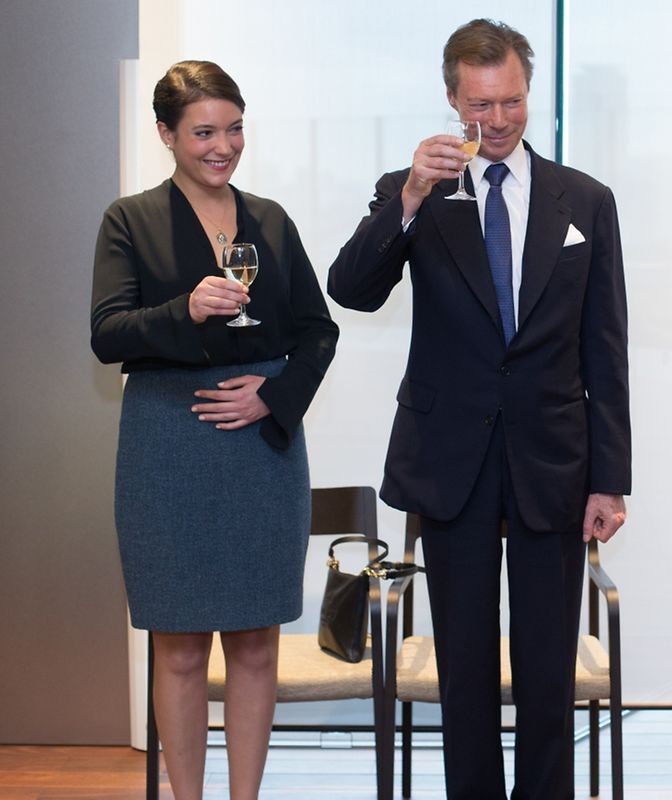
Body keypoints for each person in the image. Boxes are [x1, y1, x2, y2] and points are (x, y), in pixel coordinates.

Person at [327, 18, 631, 800]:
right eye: (478, 105)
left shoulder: (585, 201)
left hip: (553, 461)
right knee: (462, 671)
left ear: (528, 94)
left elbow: (605, 346)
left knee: (545, 671)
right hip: (449, 459)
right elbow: (351, 290)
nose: (495, 121)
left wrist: (610, 478)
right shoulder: (416, 189)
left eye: (511, 102)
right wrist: (409, 195)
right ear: (451, 98)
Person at [90, 61, 338, 800]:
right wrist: (185, 309)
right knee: (180, 649)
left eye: (233, 129)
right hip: (167, 445)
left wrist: (275, 395)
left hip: (261, 447)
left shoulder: (270, 218)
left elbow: (317, 332)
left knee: (258, 646)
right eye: (203, 132)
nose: (221, 146)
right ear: (166, 134)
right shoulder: (129, 220)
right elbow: (106, 335)